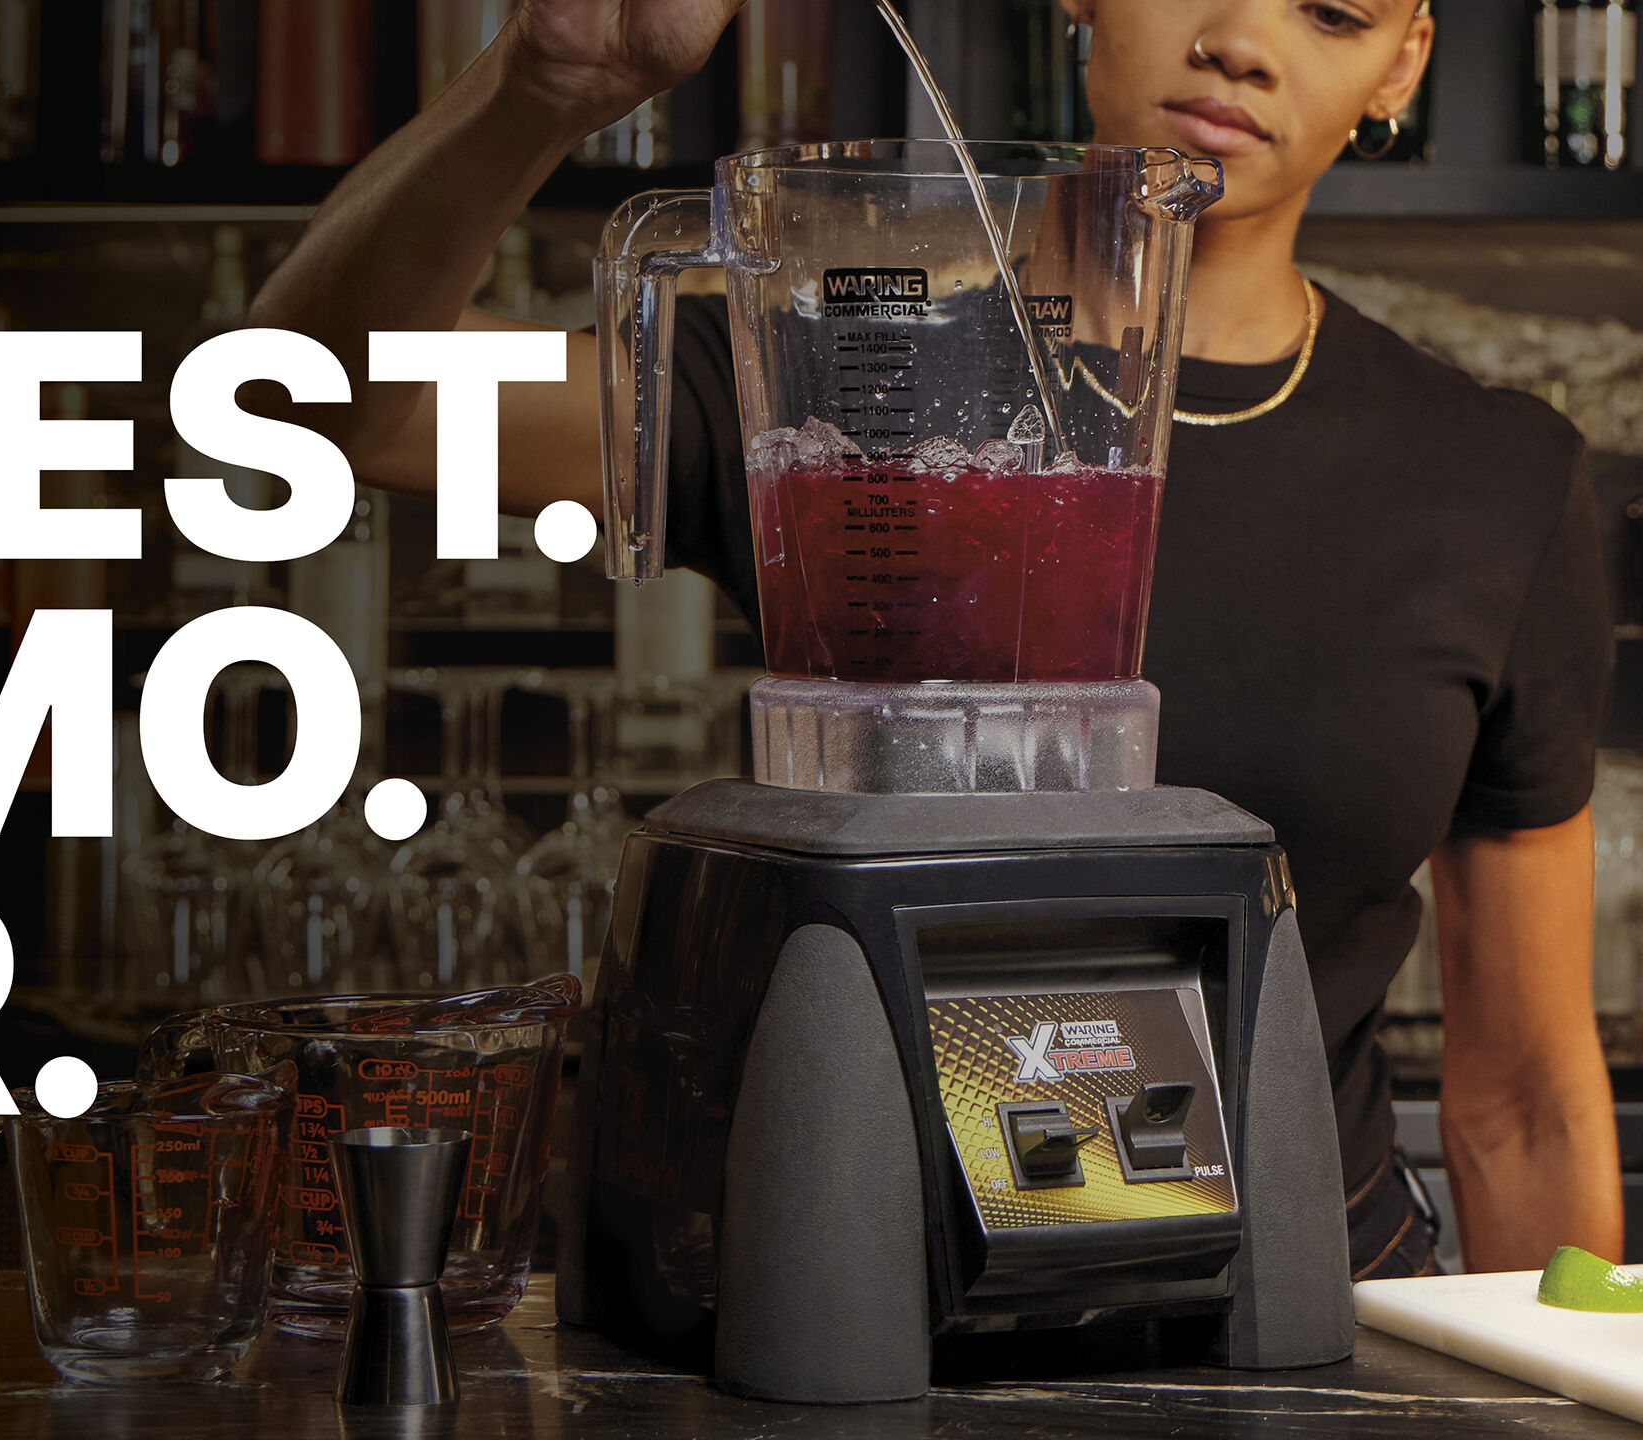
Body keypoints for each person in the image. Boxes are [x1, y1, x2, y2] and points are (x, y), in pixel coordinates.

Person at [250, 0, 1619, 1279]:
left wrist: (1577, 1391)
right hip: (870, 1296)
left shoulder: (1496, 478)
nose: (1242, 42)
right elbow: (300, 403)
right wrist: (538, 87)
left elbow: (1526, 1103)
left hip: (1319, 1303)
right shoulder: (830, 382)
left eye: (1333, 11)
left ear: (1400, 66)